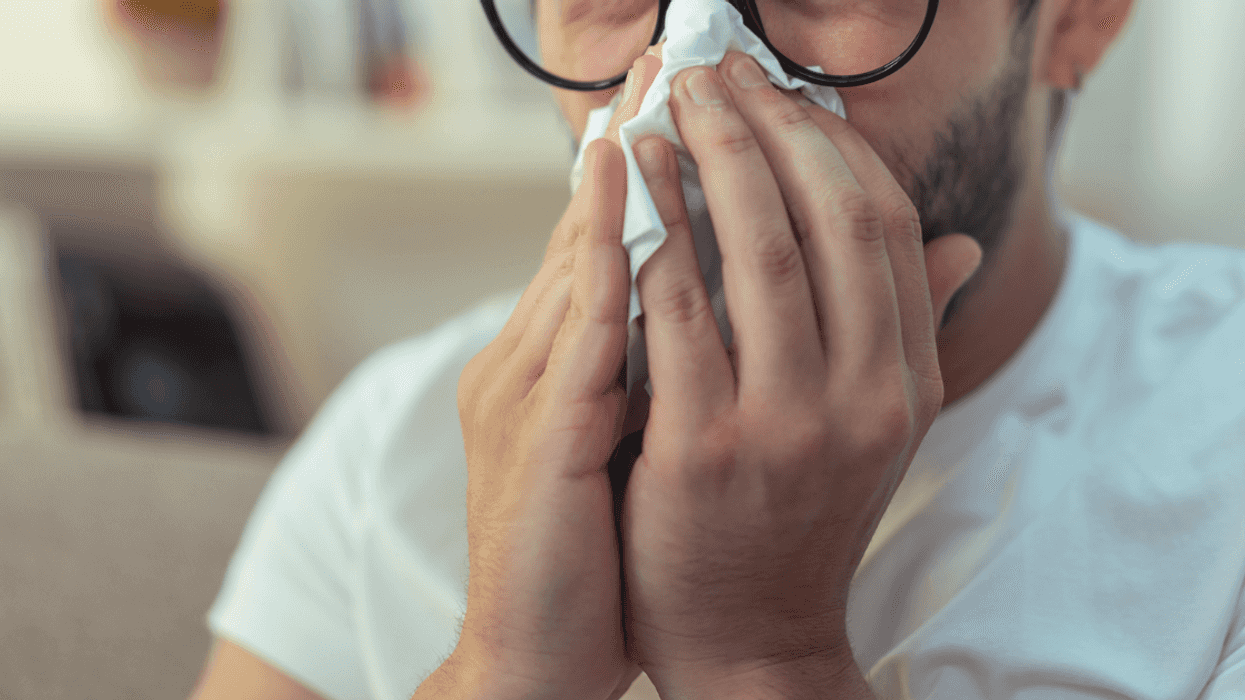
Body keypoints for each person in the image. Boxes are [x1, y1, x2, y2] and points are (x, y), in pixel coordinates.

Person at [190, 0, 1245, 698]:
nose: (683, 74)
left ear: (1081, 19)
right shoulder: (397, 442)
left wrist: (758, 655)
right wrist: (500, 669)